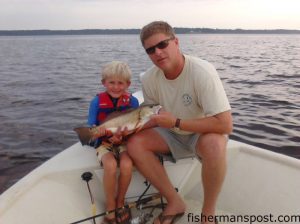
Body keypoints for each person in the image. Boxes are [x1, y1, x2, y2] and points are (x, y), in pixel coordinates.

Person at [126, 21, 232, 224]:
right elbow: (152, 117)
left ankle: (208, 214)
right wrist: (126, 130)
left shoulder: (202, 72)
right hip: (170, 132)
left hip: (199, 133)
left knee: (216, 144)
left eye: (162, 45)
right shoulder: (149, 78)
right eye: (150, 50)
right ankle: (175, 202)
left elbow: (225, 125)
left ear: (176, 41)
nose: (157, 52)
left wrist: (176, 122)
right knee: (134, 143)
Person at [87, 61, 139, 224]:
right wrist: (99, 133)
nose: (116, 87)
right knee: (110, 165)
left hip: (124, 142)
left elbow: (136, 126)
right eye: (111, 82)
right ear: (104, 83)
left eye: (120, 83)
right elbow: (91, 128)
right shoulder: (96, 102)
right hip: (104, 143)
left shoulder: (133, 103)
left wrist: (123, 136)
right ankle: (111, 205)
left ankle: (120, 201)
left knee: (126, 165)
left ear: (128, 84)